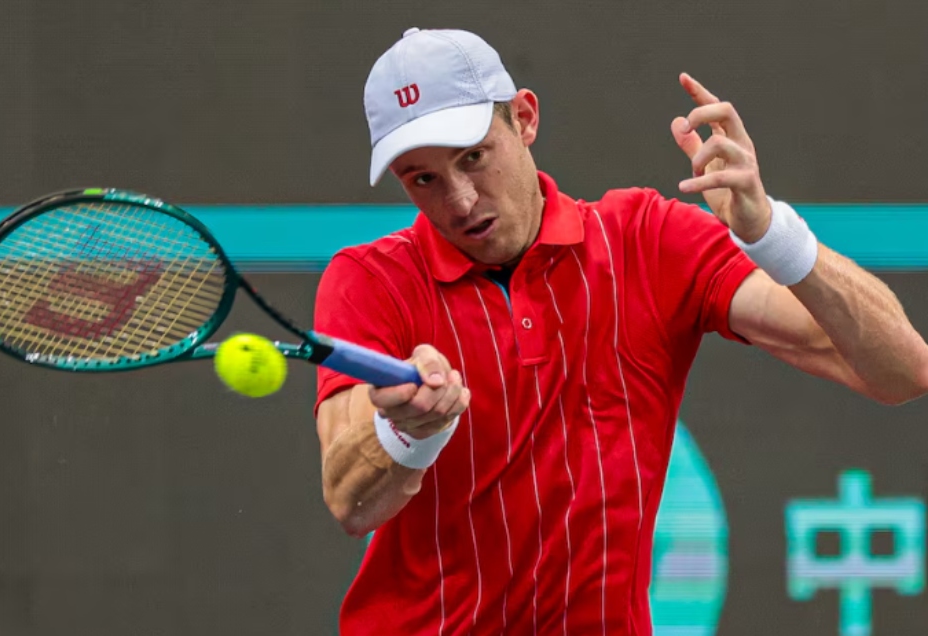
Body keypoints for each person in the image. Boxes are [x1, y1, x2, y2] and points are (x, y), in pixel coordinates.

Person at [311, 27, 928, 636]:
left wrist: (771, 233)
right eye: (423, 179)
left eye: (473, 156)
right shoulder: (369, 282)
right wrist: (407, 434)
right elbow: (350, 501)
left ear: (524, 119)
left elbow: (902, 372)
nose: (462, 200)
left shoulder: (646, 241)